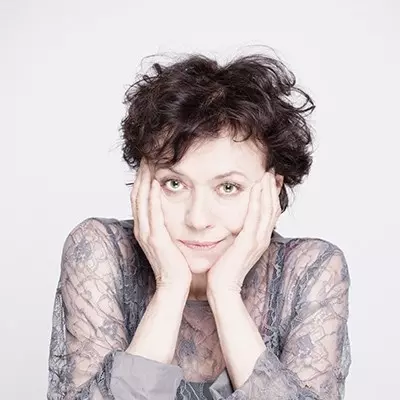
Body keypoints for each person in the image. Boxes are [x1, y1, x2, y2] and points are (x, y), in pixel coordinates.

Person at [47, 52, 351, 400]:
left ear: (273, 189)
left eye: (228, 187)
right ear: (143, 181)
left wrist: (226, 292)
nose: (197, 219)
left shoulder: (311, 270)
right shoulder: (100, 252)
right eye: (174, 184)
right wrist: (170, 287)